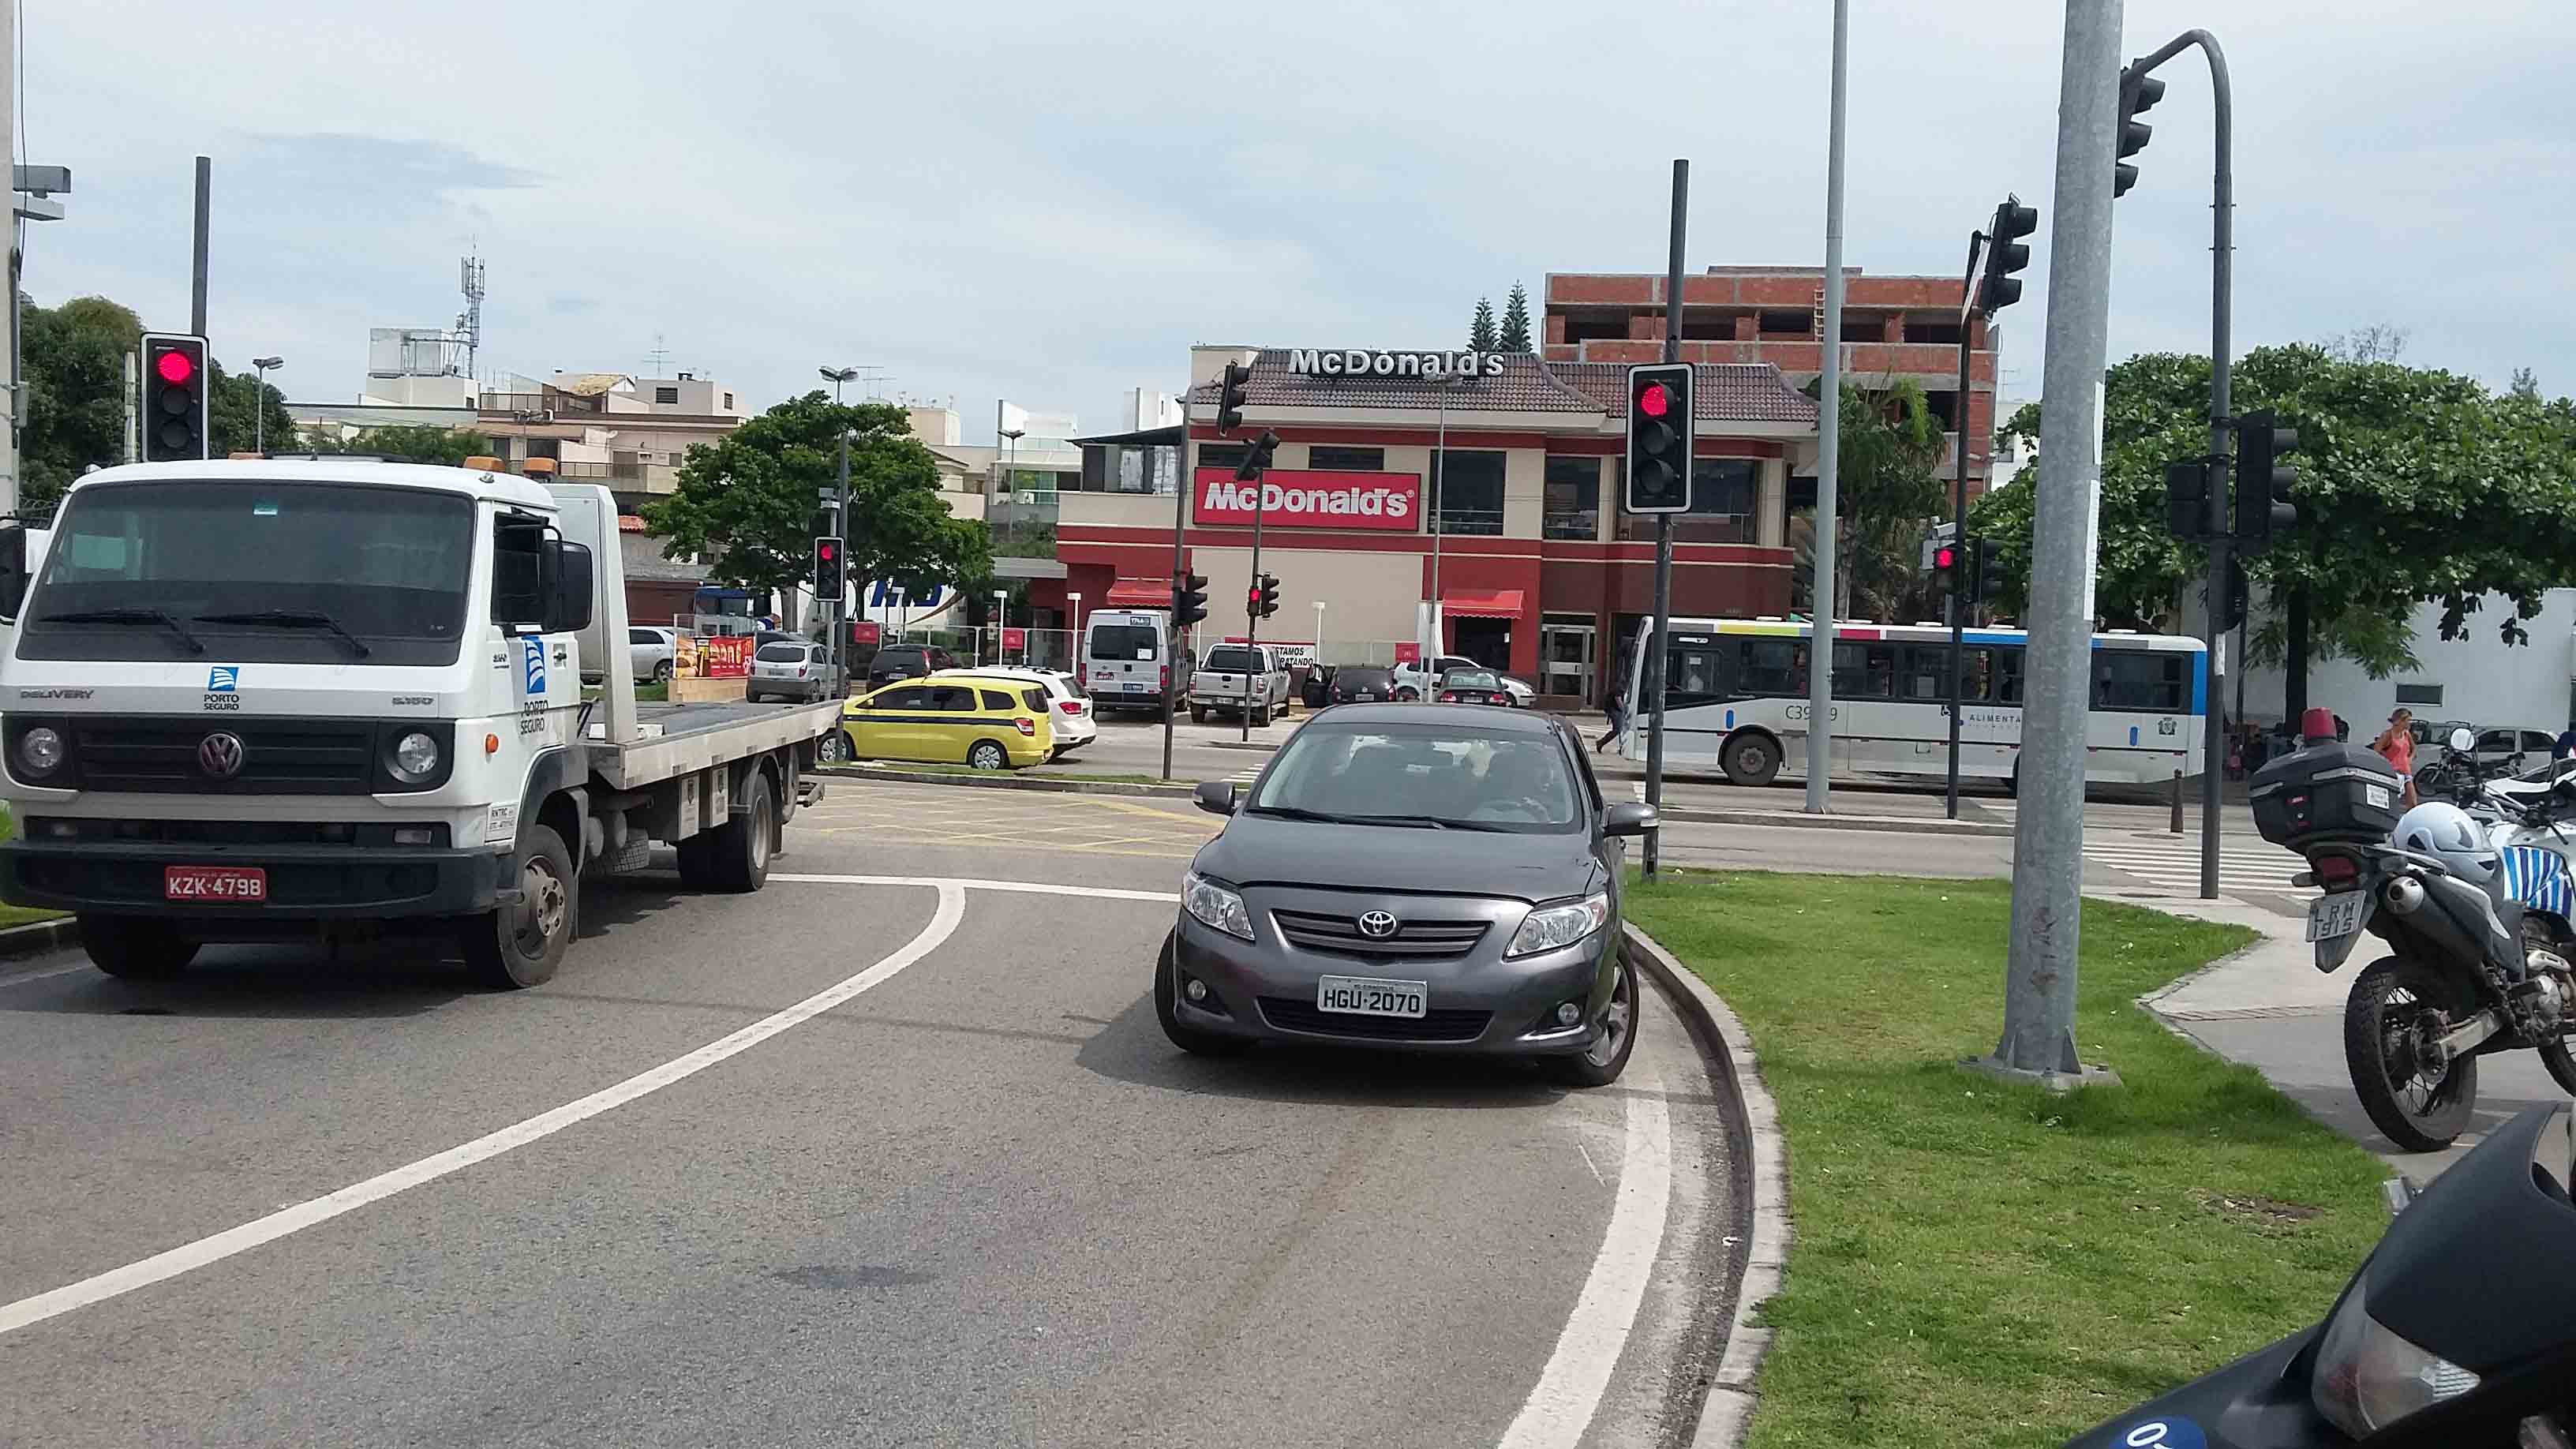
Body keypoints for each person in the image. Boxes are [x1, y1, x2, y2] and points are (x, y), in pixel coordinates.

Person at [2373, 708, 2420, 807]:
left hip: (2406, 772)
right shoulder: (2387, 735)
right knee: (2392, 803)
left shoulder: (2406, 734)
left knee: (2413, 803)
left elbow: (2414, 749)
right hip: (2392, 773)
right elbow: (2375, 753)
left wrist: (2410, 759)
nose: (2410, 723)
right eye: (2408, 721)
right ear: (2400, 721)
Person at [1595, 690, 1627, 754]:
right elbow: (1617, 698)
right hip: (1614, 709)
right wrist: (1623, 710)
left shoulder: (1618, 685)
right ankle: (1601, 742)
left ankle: (1601, 742)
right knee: (1617, 729)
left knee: (1618, 729)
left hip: (1613, 708)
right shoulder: (1620, 685)